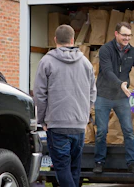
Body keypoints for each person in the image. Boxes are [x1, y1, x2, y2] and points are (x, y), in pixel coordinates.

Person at [33, 25, 97, 187]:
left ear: (55, 40)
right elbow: (92, 93)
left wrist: (42, 120)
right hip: (79, 125)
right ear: (72, 40)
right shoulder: (86, 63)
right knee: (74, 167)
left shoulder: (46, 62)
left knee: (62, 167)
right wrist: (84, 113)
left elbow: (40, 94)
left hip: (57, 124)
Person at [93, 22, 134, 174]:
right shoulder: (106, 49)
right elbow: (106, 71)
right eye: (124, 35)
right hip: (104, 95)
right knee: (101, 130)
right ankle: (99, 161)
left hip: (122, 97)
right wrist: (120, 84)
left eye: (129, 35)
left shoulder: (132, 51)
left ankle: (132, 162)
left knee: (128, 130)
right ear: (116, 34)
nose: (127, 38)